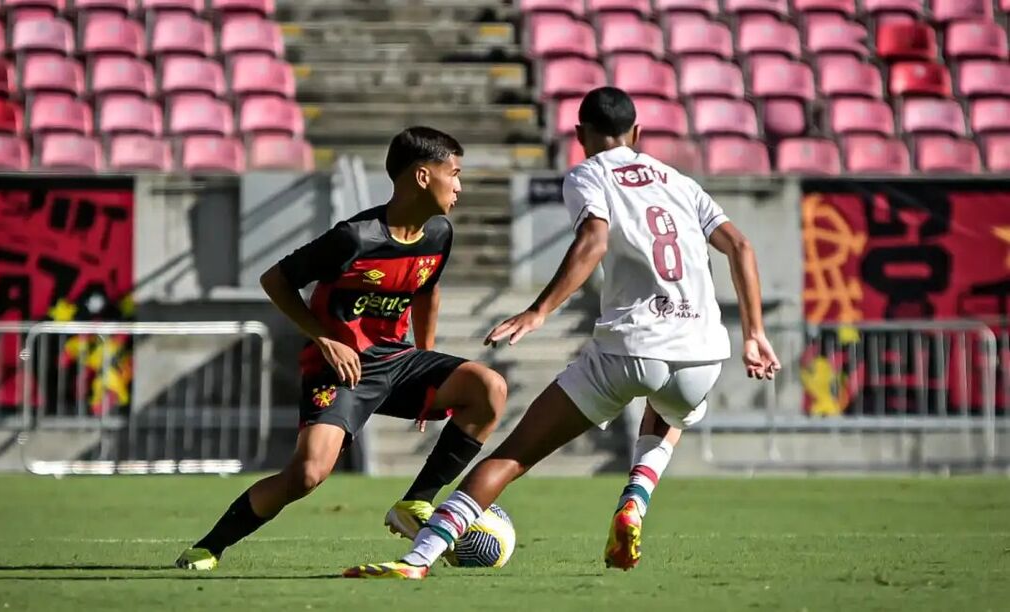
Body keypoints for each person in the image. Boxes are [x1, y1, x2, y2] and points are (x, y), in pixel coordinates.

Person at [343, 87, 780, 579]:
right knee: (670, 408)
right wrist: (754, 333)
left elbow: (594, 239)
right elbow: (740, 246)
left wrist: (539, 311)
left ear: (579, 135)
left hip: (631, 347)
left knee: (513, 456)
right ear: (637, 133)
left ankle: (417, 559)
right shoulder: (679, 181)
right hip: (702, 353)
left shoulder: (588, 174)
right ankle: (635, 498)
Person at [176, 127, 508, 571]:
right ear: (423, 177)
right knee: (307, 474)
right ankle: (209, 546)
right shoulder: (355, 239)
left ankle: (417, 502)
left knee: (490, 388)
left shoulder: (439, 235)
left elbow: (428, 291)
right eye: (456, 173)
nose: (460, 186)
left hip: (398, 360)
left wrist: (425, 361)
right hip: (340, 370)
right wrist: (325, 339)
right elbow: (276, 280)